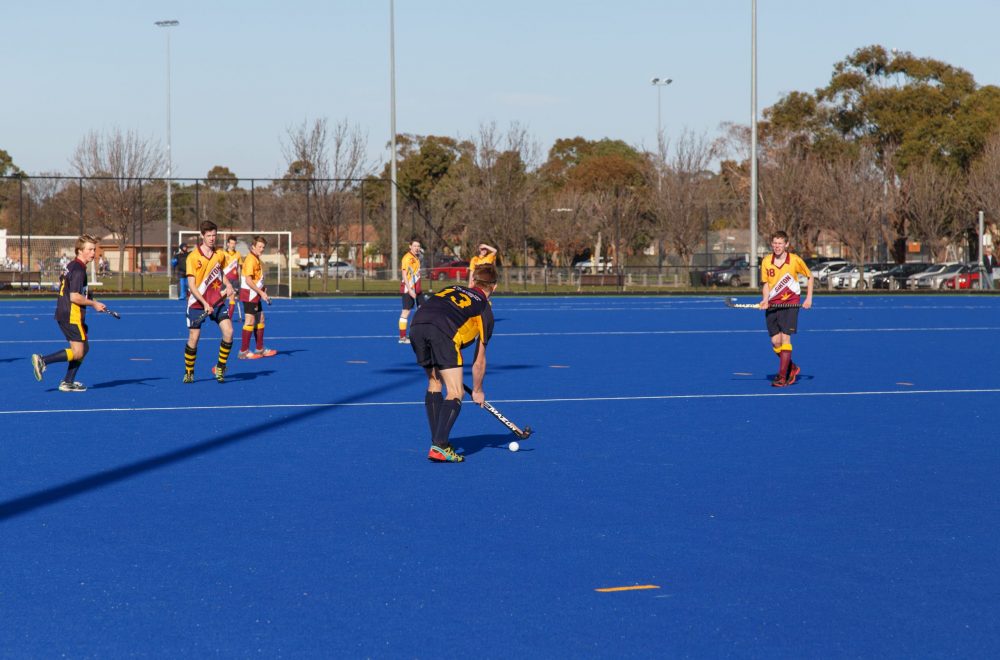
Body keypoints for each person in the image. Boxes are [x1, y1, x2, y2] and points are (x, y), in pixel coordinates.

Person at [410, 263, 498, 463]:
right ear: (494, 286)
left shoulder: (450, 288)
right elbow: (479, 361)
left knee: (434, 383)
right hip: (443, 332)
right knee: (456, 391)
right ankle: (440, 446)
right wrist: (477, 389)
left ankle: (438, 442)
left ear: (473, 281)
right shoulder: (484, 308)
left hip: (417, 325)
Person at [30, 234, 107, 392]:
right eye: (90, 249)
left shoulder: (72, 266)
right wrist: (94, 304)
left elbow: (67, 284)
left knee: (84, 348)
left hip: (65, 313)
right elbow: (74, 296)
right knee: (78, 352)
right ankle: (43, 360)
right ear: (79, 251)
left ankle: (68, 382)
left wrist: (87, 296)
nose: (93, 252)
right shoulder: (79, 270)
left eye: (94, 249)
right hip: (72, 315)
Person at [183, 221, 236, 383]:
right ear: (202, 236)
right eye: (208, 236)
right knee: (194, 337)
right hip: (197, 303)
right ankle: (189, 372)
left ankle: (220, 367)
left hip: (217, 301)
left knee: (229, 332)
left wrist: (227, 285)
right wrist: (205, 304)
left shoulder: (219, 254)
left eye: (214, 235)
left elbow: (220, 273)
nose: (212, 238)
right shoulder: (193, 257)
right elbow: (191, 285)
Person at [759, 231, 813, 387]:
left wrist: (808, 298)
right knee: (775, 342)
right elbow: (766, 284)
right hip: (773, 303)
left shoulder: (795, 260)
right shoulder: (766, 261)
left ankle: (782, 376)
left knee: (785, 338)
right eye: (775, 243)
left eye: (780, 243)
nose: (777, 246)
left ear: (786, 244)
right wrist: (765, 300)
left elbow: (810, 277)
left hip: (790, 303)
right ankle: (792, 367)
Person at [237, 236, 277, 359]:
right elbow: (248, 280)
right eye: (259, 246)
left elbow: (255, 277)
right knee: (250, 321)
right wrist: (261, 292)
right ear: (253, 247)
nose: (261, 249)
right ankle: (243, 351)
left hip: (255, 294)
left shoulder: (256, 258)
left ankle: (260, 349)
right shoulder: (250, 259)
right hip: (250, 294)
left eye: (263, 247)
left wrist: (262, 288)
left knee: (261, 319)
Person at [397, 239, 423, 344]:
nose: (417, 248)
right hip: (409, 289)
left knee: (423, 310)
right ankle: (402, 338)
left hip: (418, 289)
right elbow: (404, 275)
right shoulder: (407, 258)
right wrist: (410, 290)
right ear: (410, 246)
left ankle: (416, 334)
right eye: (415, 246)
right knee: (406, 312)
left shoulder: (417, 258)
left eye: (418, 246)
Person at [223, 235, 242, 319]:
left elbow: (239, 267)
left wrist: (240, 279)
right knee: (221, 298)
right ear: (228, 244)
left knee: (232, 298)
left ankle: (229, 318)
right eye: (231, 243)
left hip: (234, 280)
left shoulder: (238, 254)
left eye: (234, 243)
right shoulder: (223, 253)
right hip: (225, 279)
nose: (233, 245)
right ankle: (220, 315)